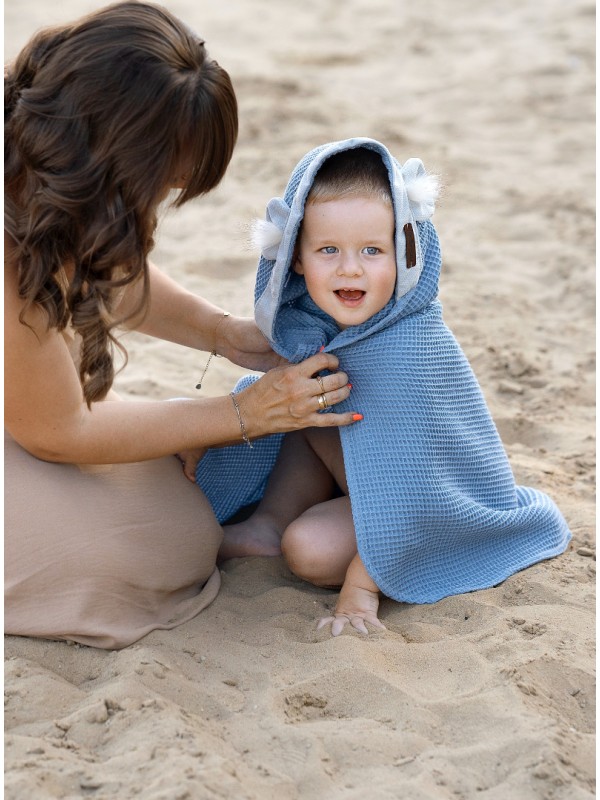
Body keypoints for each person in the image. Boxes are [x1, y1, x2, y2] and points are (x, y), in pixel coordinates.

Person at [4, 2, 363, 650]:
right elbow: (57, 431)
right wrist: (245, 415)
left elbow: (99, 267)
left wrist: (221, 332)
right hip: (36, 426)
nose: (162, 201)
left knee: (172, 504)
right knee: (166, 548)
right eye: (161, 186)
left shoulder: (32, 166)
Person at [196, 137, 572, 636]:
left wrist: (360, 591)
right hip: (361, 491)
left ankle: (364, 558)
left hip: (433, 509)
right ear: (295, 258)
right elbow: (273, 408)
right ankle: (269, 519)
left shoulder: (413, 347)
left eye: (372, 250)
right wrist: (214, 431)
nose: (350, 268)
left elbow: (422, 488)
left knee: (308, 550)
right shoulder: (313, 332)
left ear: (404, 251)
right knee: (309, 398)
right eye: (328, 250)